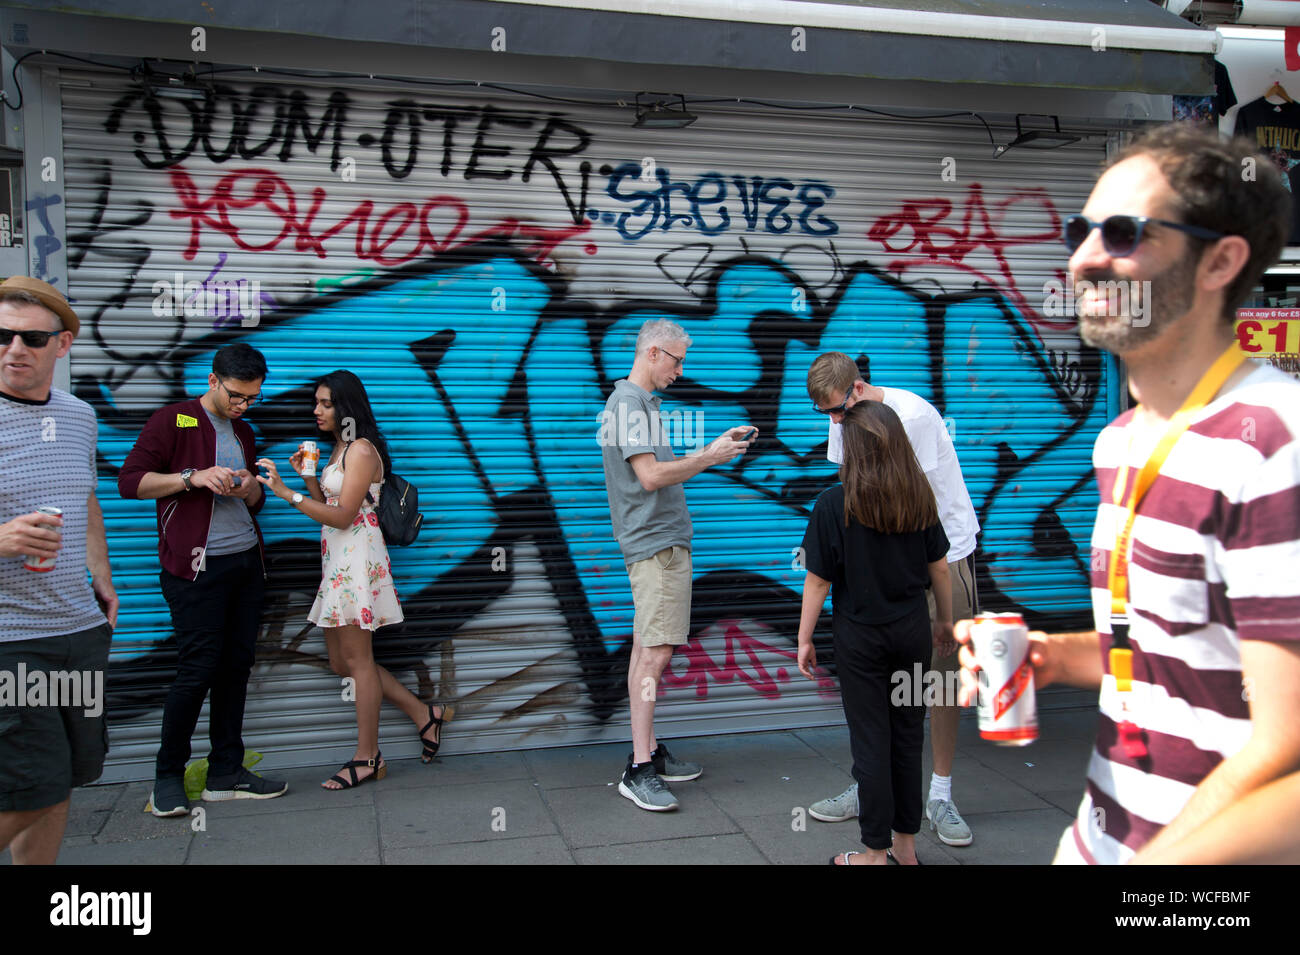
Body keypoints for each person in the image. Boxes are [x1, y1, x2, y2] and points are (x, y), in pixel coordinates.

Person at [956, 123, 1300, 864]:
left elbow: (1290, 751)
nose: (1082, 259)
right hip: (1101, 836)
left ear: (1221, 261)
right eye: (1081, 231)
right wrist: (1051, 654)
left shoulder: (1277, 444)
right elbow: (1156, 649)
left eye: (1122, 233)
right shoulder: (1122, 440)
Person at [804, 351, 980, 847]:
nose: (834, 423)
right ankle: (872, 790)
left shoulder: (914, 417)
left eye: (837, 410)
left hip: (940, 556)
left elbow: (905, 501)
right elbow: (853, 490)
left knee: (939, 682)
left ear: (857, 389)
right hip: (892, 559)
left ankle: (940, 795)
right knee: (875, 686)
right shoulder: (843, 418)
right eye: (826, 416)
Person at [256, 370, 448, 789]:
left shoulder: (361, 450)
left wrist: (286, 493)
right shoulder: (340, 447)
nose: (317, 410)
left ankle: (368, 757)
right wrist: (308, 479)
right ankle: (423, 714)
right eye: (316, 402)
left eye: (326, 403)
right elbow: (334, 503)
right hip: (338, 560)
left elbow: (344, 516)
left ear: (347, 407)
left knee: (357, 661)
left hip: (357, 561)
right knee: (341, 662)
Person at [118, 342, 287, 816]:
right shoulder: (173, 420)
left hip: (244, 564)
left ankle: (225, 773)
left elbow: (254, 503)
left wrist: (253, 489)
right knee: (196, 671)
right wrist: (191, 477)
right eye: (235, 395)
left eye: (251, 398)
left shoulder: (244, 431)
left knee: (236, 668)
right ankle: (167, 777)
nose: (241, 406)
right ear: (212, 381)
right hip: (195, 570)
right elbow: (130, 482)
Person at [600, 318, 755, 811]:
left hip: (658, 543)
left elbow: (655, 470)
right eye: (676, 359)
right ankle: (640, 770)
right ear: (651, 354)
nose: (681, 370)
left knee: (646, 648)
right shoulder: (628, 405)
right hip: (656, 545)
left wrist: (712, 449)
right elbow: (649, 477)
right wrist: (710, 455)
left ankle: (645, 752)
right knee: (656, 654)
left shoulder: (640, 404)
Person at [0, 276, 117, 864]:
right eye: (1, 336)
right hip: (12, 639)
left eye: (31, 338)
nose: (14, 349)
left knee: (63, 780)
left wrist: (101, 573)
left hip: (77, 627)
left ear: (62, 345)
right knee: (28, 788)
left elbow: (86, 497)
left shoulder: (78, 416)